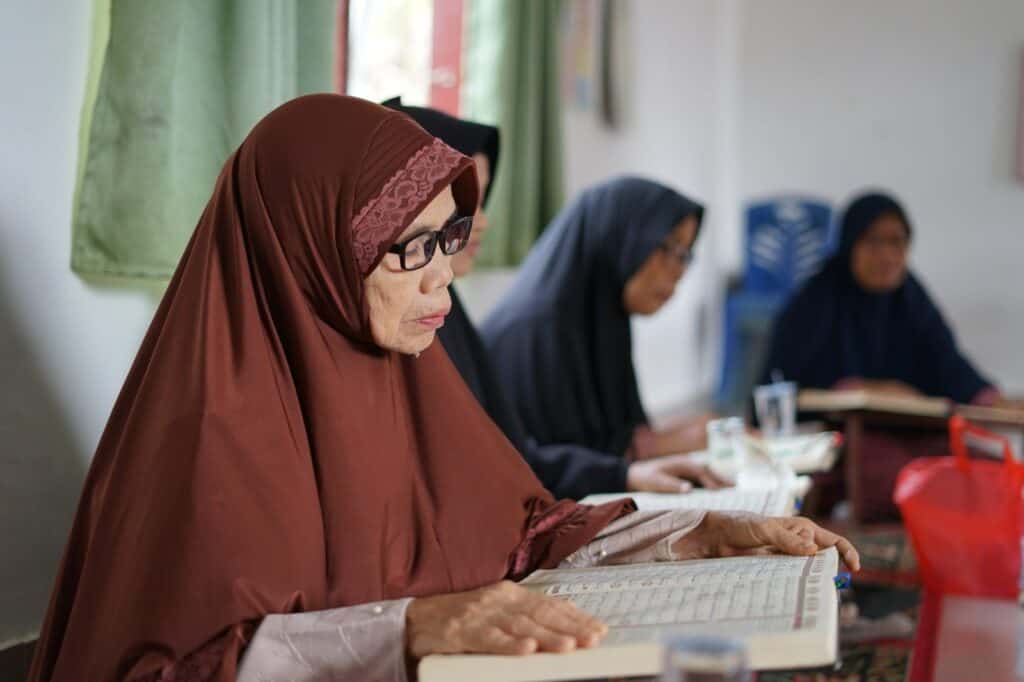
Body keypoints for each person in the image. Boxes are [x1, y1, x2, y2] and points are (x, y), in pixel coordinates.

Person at [29, 96, 858, 682]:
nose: (444, 288)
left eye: (448, 240)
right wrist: (409, 627)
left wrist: (697, 533)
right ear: (312, 250)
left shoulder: (403, 381)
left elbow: (527, 538)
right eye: (410, 248)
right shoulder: (209, 434)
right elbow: (169, 668)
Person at [385, 99, 724, 496]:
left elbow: (511, 454)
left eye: (482, 199)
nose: (484, 220)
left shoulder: (449, 311)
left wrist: (626, 471)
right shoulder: (529, 331)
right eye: (462, 200)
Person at [481, 177, 715, 462]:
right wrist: (655, 445)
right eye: (669, 247)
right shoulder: (533, 330)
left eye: (685, 254)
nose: (679, 271)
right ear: (617, 237)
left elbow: (608, 435)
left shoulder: (604, 317)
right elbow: (541, 470)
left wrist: (676, 436)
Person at [761, 191, 1010, 406]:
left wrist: (991, 399)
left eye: (896, 242)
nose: (887, 256)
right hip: (834, 435)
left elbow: (949, 365)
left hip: (907, 433)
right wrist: (866, 391)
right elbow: (781, 387)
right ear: (850, 245)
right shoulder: (815, 303)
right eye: (873, 241)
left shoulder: (912, 301)